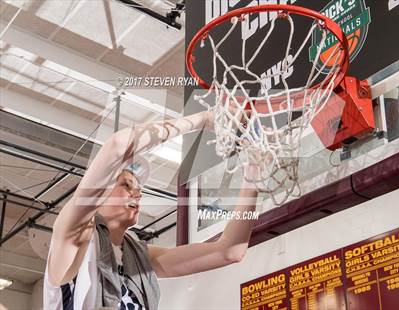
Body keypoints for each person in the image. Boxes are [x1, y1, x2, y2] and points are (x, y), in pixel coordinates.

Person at [43, 110, 259, 309]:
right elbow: (118, 145)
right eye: (126, 185)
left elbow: (230, 251)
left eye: (139, 189)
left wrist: (253, 170)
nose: (137, 193)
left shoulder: (137, 255)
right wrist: (204, 119)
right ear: (101, 194)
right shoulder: (76, 234)